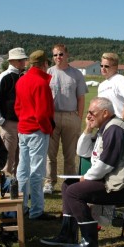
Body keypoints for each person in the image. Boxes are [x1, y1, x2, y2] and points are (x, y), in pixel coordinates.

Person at [40, 97, 124, 247]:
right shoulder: (105, 128)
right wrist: (88, 129)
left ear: (105, 113)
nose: (88, 116)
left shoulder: (114, 129)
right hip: (109, 181)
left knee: (73, 192)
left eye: (92, 113)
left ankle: (90, 242)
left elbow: (106, 163)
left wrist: (86, 177)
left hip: (122, 187)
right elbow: (83, 151)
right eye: (88, 113)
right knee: (68, 185)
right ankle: (68, 234)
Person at [14, 50, 55, 221]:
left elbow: (17, 107)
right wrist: (47, 129)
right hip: (37, 130)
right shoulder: (41, 83)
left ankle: (21, 206)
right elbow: (43, 113)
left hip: (23, 129)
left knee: (22, 171)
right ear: (44, 64)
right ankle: (36, 210)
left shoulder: (22, 80)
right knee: (37, 173)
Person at [44, 43, 88, 195]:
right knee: (50, 154)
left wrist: (78, 118)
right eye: (55, 55)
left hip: (71, 116)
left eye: (61, 54)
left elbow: (81, 98)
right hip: (52, 117)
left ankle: (70, 183)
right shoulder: (48, 73)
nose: (58, 57)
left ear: (67, 55)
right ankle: (49, 182)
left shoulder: (76, 74)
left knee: (70, 154)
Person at [0, 47, 28, 177]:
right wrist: (1, 121)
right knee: (8, 159)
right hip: (9, 123)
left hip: (23, 124)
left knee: (21, 158)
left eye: (23, 59)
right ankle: (6, 186)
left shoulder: (24, 77)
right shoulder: (3, 77)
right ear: (12, 61)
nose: (23, 62)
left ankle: (17, 184)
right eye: (20, 60)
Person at [97, 52, 124, 123]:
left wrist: (121, 121)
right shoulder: (101, 85)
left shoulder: (120, 79)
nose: (103, 68)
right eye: (101, 66)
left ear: (115, 67)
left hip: (116, 123)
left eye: (106, 66)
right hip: (104, 124)